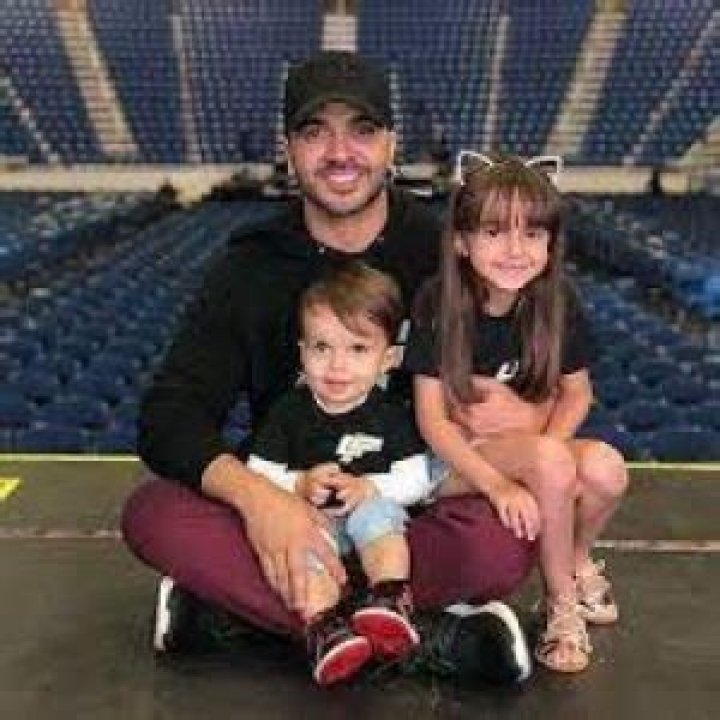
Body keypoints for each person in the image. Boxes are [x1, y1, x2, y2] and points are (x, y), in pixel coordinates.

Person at [122, 51, 535, 686]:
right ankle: (420, 634)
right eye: (316, 132)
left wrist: (512, 412)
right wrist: (262, 503)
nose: (340, 153)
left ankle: (259, 619)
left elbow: (524, 389)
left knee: (503, 540)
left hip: (409, 509)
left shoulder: (446, 255)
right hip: (291, 501)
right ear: (289, 149)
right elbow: (169, 414)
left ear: (391, 143)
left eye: (362, 130)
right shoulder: (250, 266)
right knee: (154, 515)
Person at [405, 151, 629, 674]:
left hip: (523, 449)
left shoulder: (558, 301)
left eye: (532, 233)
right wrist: (501, 484)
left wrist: (544, 454)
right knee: (551, 462)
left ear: (551, 244)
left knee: (607, 469)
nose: (515, 250)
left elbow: (577, 394)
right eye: (494, 232)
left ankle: (576, 560)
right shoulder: (438, 301)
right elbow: (431, 420)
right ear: (461, 242)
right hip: (453, 461)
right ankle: (560, 605)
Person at [247, 262, 435, 685]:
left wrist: (370, 486)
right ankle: (325, 627)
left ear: (388, 359)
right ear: (301, 352)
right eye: (321, 347)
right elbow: (258, 473)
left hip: (369, 524)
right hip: (313, 525)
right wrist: (298, 483)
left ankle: (389, 598)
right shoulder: (288, 412)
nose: (337, 366)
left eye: (357, 349)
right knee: (303, 553)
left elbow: (418, 479)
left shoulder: (392, 415)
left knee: (379, 516)